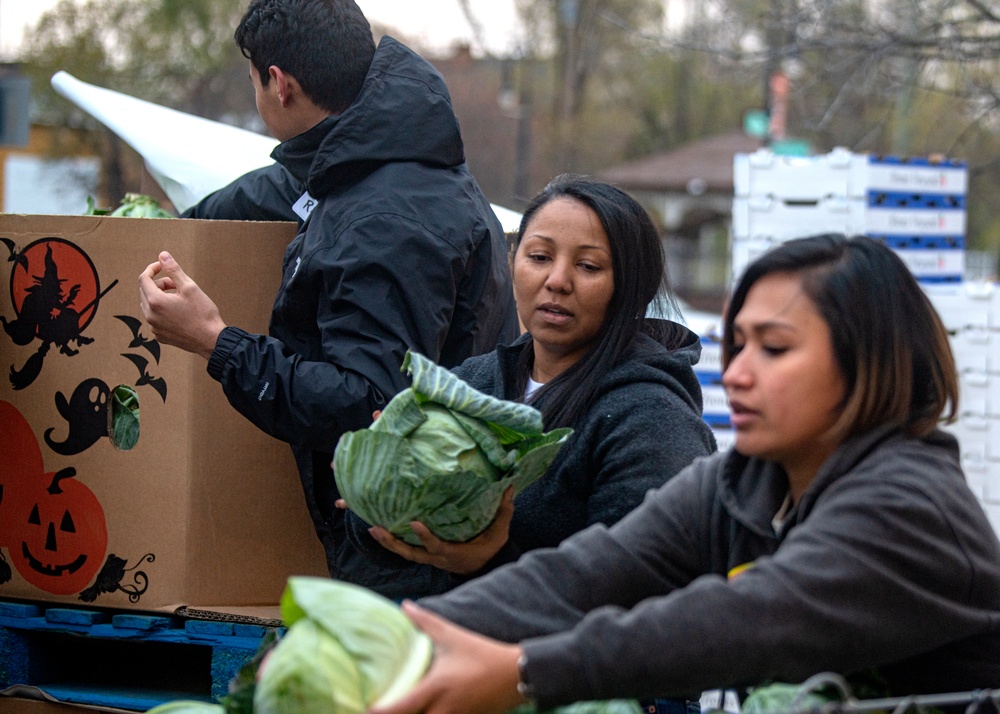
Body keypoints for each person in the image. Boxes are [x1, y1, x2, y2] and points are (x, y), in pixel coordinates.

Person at [369, 233, 1000, 714]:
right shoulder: (741, 486)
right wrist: (390, 639)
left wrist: (525, 670)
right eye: (738, 344)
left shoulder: (911, 506)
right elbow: (582, 575)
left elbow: (747, 621)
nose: (737, 374)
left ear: (869, 364)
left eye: (774, 349)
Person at [138, 0, 518, 587]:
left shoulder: (381, 220)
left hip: (409, 551)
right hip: (411, 533)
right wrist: (165, 229)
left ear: (279, 85)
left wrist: (215, 340)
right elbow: (284, 189)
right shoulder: (382, 156)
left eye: (253, 82)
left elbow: (366, 402)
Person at [337, 174, 718, 600]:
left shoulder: (650, 419)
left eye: (588, 266)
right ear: (513, 261)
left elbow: (643, 593)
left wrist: (489, 562)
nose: (557, 281)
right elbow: (374, 543)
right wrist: (378, 476)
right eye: (538, 256)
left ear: (632, 288)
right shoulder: (472, 384)